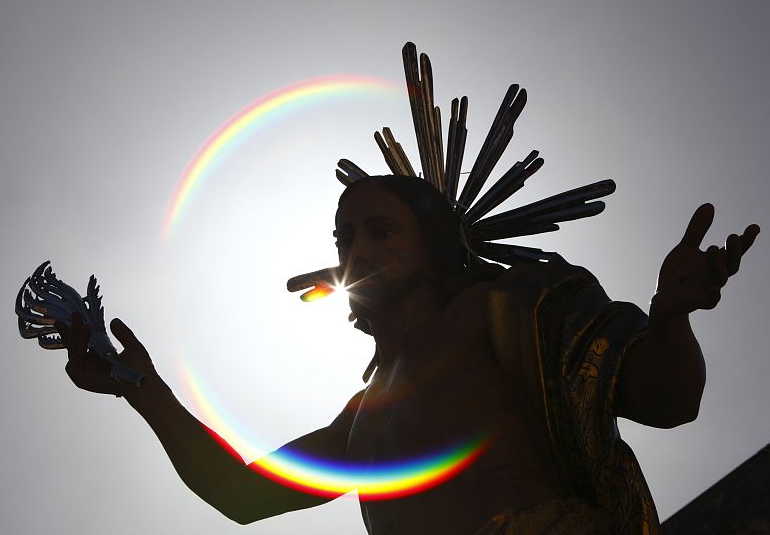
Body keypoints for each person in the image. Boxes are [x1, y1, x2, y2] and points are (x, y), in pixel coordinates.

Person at [56, 173, 759, 534]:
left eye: (381, 230)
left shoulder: (512, 307)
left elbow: (667, 400)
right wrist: (139, 386)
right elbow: (240, 494)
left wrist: (669, 320)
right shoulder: (365, 420)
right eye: (345, 236)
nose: (356, 249)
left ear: (434, 248)